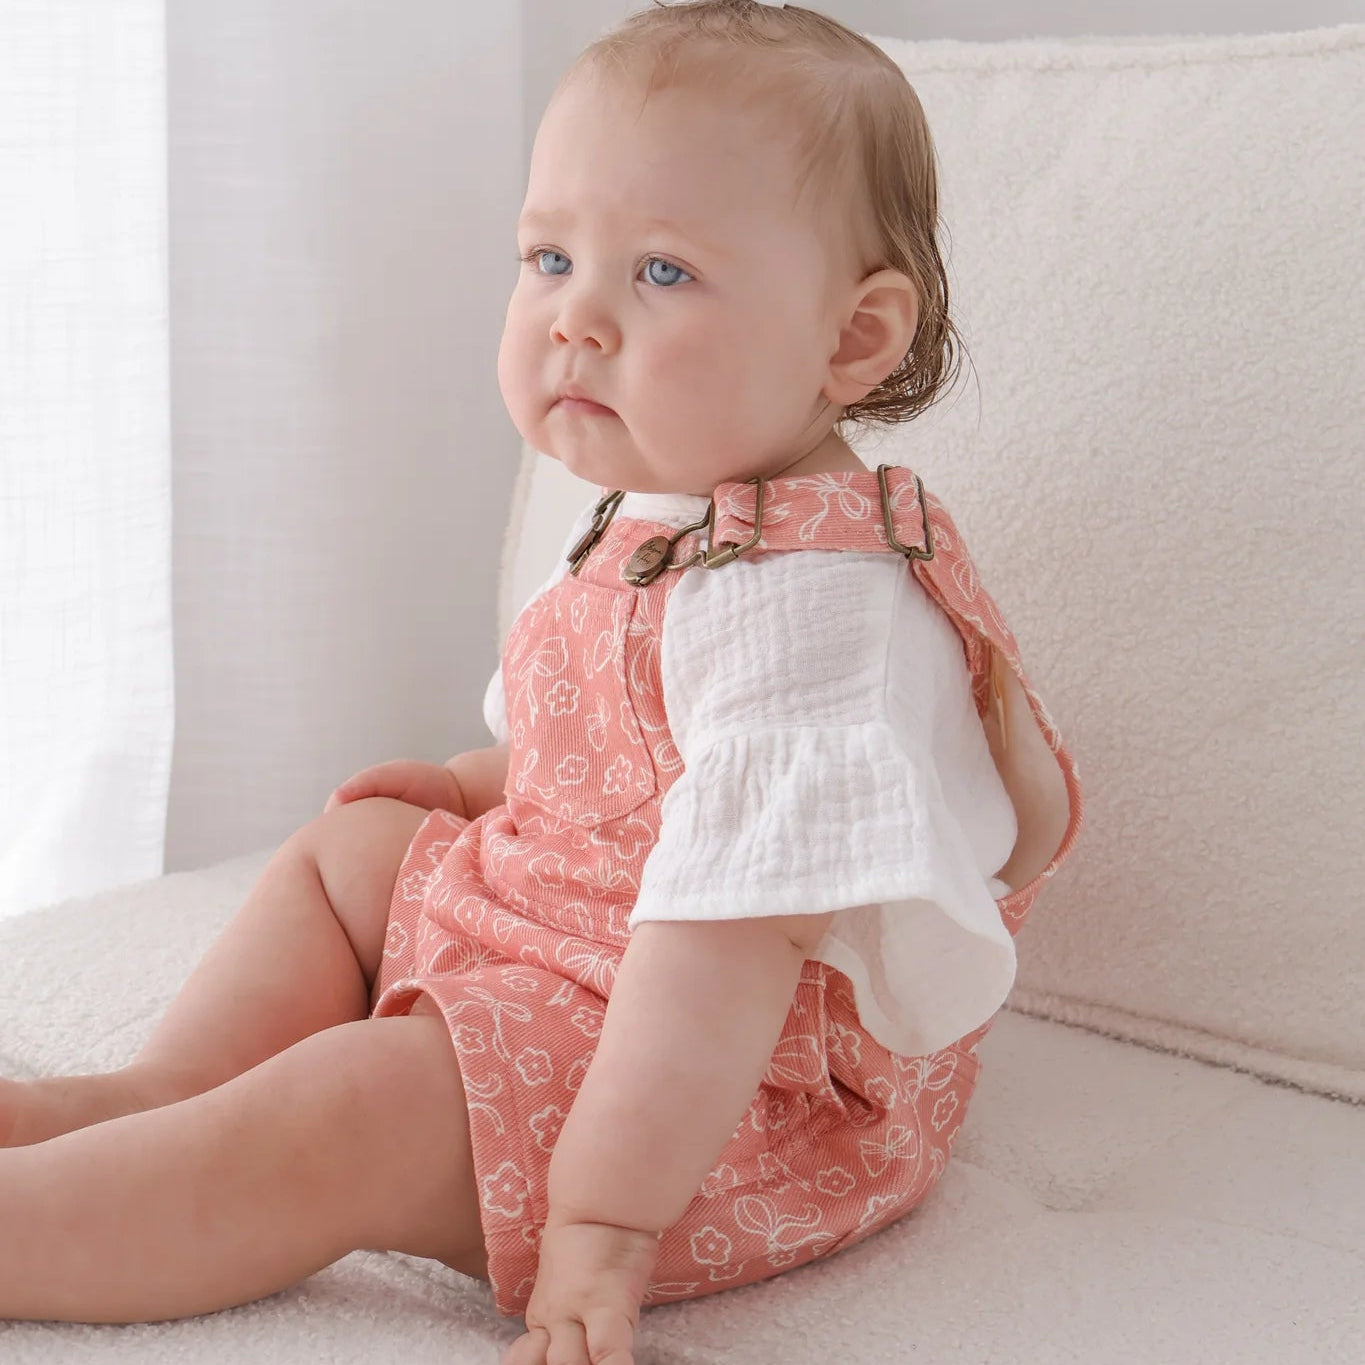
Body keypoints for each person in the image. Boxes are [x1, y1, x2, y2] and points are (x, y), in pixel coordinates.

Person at [0, 4, 1083, 1362]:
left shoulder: (816, 620)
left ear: (851, 342)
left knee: (366, 1096)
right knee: (353, 853)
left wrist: (603, 1222)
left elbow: (724, 951)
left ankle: (46, 1224)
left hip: (714, 1091)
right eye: (551, 257)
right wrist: (465, 788)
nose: (576, 318)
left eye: (664, 274)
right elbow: (601, 764)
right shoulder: (665, 509)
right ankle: (160, 1093)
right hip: (577, 943)